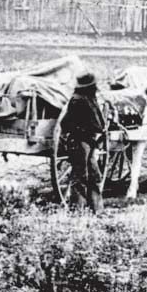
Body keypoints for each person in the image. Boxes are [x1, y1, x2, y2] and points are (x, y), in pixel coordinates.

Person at [59, 73, 107, 212]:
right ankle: (78, 209)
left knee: (94, 174)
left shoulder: (89, 98)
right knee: (80, 175)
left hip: (89, 141)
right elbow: (66, 123)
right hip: (80, 142)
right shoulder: (78, 100)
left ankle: (96, 209)